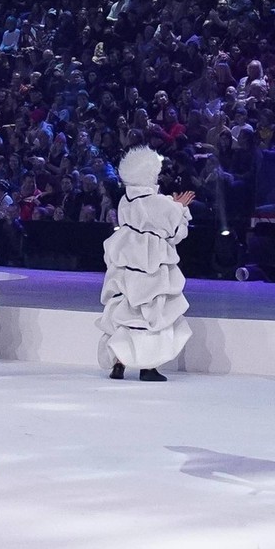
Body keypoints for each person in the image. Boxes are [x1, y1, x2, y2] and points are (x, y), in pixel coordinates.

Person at [98, 147, 194, 381]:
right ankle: (147, 367)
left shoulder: (126, 199)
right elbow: (174, 233)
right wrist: (180, 207)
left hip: (128, 260)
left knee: (126, 312)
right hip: (151, 264)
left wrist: (173, 207)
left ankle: (119, 364)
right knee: (151, 314)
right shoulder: (158, 202)